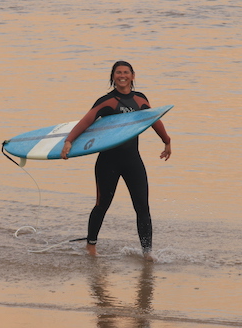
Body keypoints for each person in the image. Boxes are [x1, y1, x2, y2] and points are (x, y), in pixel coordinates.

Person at [61, 61, 171, 261]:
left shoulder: (140, 99)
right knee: (102, 205)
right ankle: (91, 246)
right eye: (118, 73)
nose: (122, 76)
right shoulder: (107, 101)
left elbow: (154, 120)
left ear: (133, 76)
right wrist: (69, 141)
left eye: (126, 72)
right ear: (113, 77)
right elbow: (86, 122)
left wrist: (167, 141)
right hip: (108, 162)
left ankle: (147, 252)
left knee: (142, 207)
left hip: (133, 161)